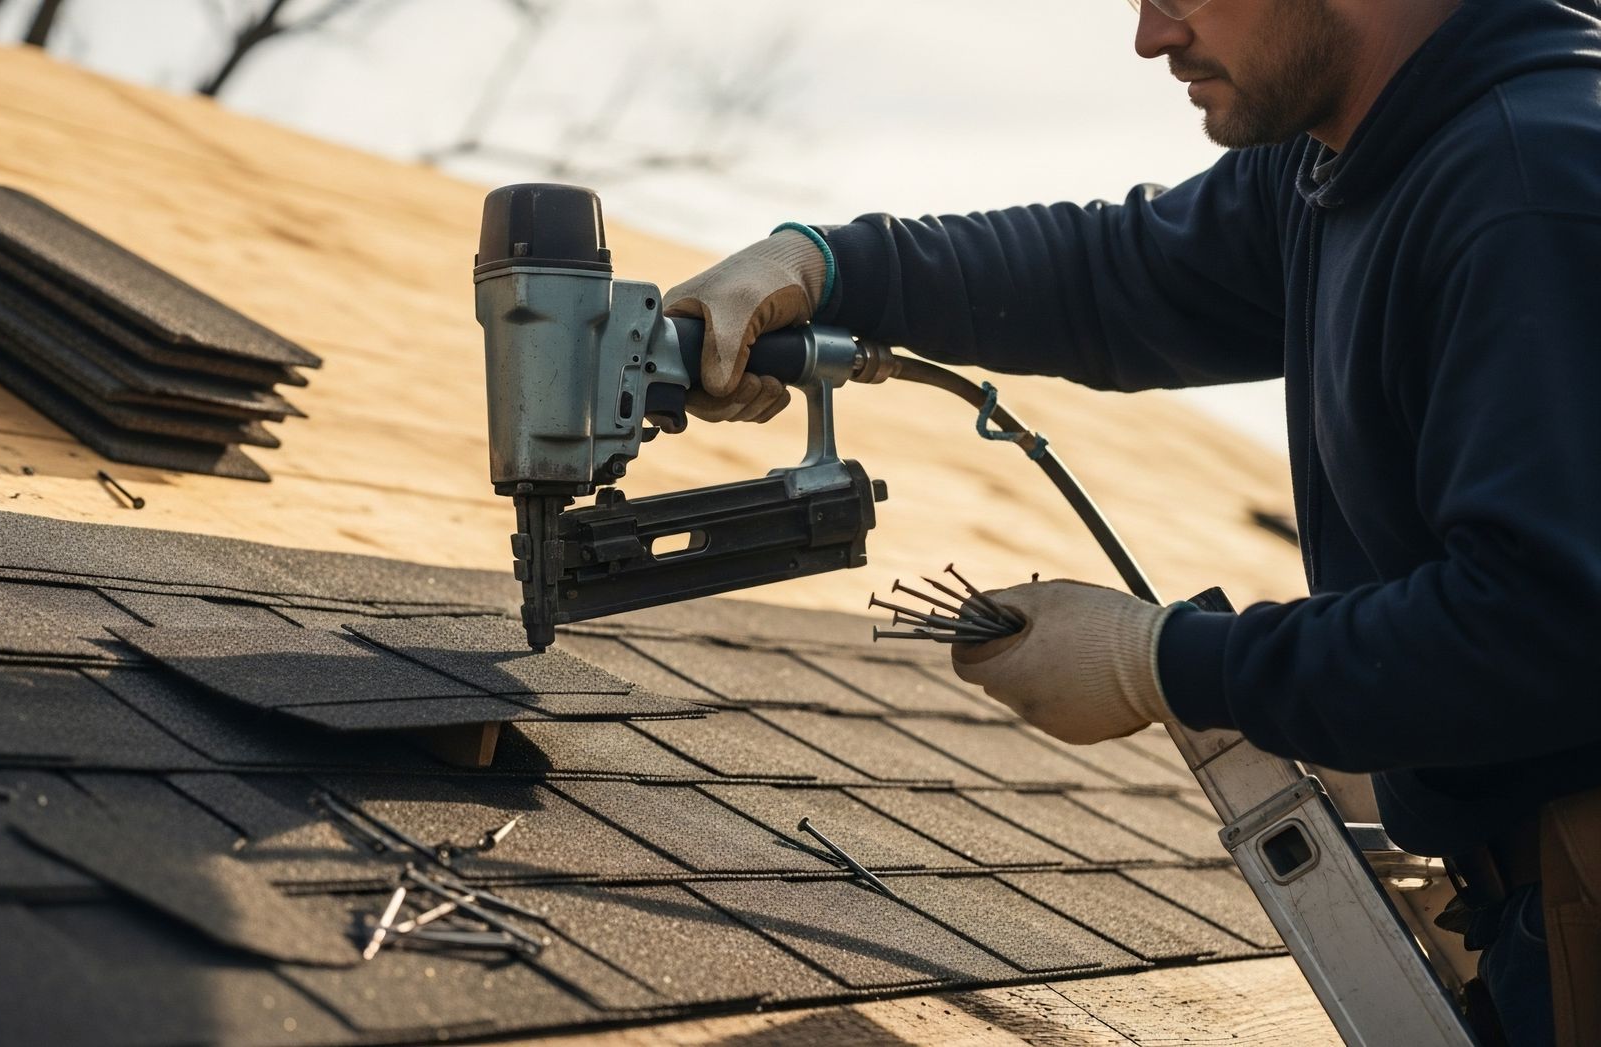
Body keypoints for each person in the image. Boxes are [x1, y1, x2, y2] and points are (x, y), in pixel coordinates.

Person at [661, 0, 1601, 1041]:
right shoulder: (1353, 155)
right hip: (1533, 899)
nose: (1152, 37)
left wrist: (1164, 663)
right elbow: (1123, 277)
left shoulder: (1533, 184)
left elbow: (1548, 627)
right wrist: (831, 268)